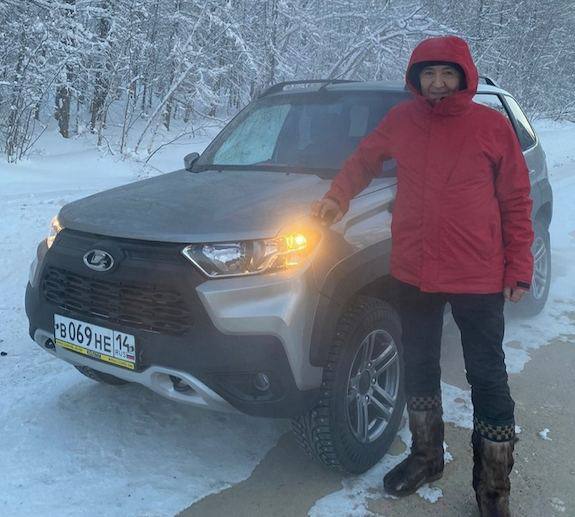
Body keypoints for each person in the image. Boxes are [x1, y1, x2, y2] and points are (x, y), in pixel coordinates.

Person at [311, 35, 533, 516]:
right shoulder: (401, 120)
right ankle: (426, 456)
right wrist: (336, 197)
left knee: (487, 376)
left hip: (477, 274)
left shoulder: (491, 126)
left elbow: (516, 200)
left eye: (447, 73)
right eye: (428, 74)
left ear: (464, 77)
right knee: (418, 365)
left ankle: (493, 489)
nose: (437, 83)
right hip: (414, 270)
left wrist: (519, 266)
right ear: (416, 78)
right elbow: (363, 160)